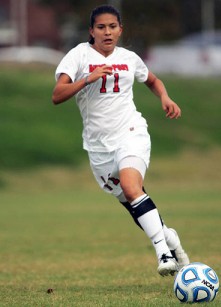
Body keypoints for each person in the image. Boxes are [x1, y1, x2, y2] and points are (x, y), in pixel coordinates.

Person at [52, 5, 189, 277]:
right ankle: (170, 240)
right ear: (91, 31)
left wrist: (164, 96)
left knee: (130, 186)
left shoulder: (128, 58)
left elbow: (152, 80)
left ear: (120, 29)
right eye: (101, 27)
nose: (107, 32)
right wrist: (87, 79)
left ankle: (163, 252)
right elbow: (57, 95)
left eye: (112, 27)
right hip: (98, 147)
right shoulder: (78, 56)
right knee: (133, 202)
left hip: (131, 132)